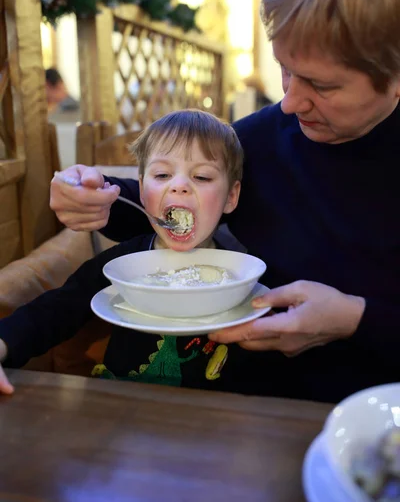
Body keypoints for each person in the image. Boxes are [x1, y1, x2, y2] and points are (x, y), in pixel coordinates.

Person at [49, 0, 400, 404]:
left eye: (322, 85)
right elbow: (187, 211)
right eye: (285, 69)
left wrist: (357, 320)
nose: (290, 102)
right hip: (248, 412)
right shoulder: (260, 138)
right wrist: (99, 197)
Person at [0, 110, 243, 395]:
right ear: (141, 191)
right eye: (162, 174)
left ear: (231, 197)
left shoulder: (242, 272)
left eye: (201, 176)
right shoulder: (123, 263)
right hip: (123, 408)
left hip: (214, 416)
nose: (179, 185)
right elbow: (56, 309)